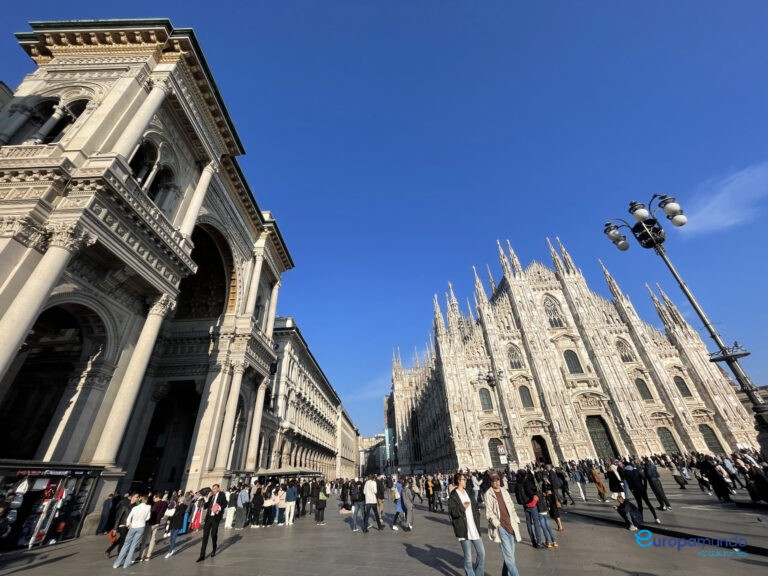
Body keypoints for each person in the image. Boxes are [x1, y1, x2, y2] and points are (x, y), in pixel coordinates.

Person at [485, 471, 522, 576]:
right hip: (501, 528)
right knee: (509, 559)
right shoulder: (488, 494)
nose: (496, 482)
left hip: (511, 525)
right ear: (490, 482)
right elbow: (489, 513)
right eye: (494, 481)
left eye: (497, 480)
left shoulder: (504, 491)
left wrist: (516, 519)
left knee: (510, 556)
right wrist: (498, 524)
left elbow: (512, 507)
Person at [449, 473, 485, 576]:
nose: (466, 481)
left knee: (481, 553)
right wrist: (462, 507)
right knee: (468, 557)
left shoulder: (468, 492)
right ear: (459, 481)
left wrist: (477, 515)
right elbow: (453, 512)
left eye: (465, 479)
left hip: (474, 527)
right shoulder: (454, 495)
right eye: (464, 479)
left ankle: (479, 573)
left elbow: (474, 505)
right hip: (463, 528)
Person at [113, 495, 151, 569]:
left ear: (140, 500)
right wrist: (143, 520)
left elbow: (129, 518)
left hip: (133, 526)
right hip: (141, 526)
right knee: (133, 545)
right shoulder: (148, 507)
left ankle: (117, 563)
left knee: (126, 544)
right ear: (146, 501)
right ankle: (126, 564)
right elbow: (148, 517)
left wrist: (129, 525)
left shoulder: (135, 508)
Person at [197, 484, 227, 562]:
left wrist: (219, 507)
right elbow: (205, 507)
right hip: (208, 518)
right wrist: (206, 498)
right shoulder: (211, 496)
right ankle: (202, 555)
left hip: (215, 518)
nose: (213, 490)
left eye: (215, 488)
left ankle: (214, 548)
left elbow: (225, 504)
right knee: (205, 536)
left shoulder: (221, 495)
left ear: (218, 489)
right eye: (213, 488)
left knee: (213, 534)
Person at [105, 494, 136, 559]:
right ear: (131, 497)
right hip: (122, 525)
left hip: (129, 526)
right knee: (123, 539)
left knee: (121, 539)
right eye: (136, 497)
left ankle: (108, 550)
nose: (137, 498)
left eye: (138, 497)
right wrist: (115, 528)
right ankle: (120, 554)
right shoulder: (124, 506)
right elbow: (118, 517)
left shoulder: (135, 507)